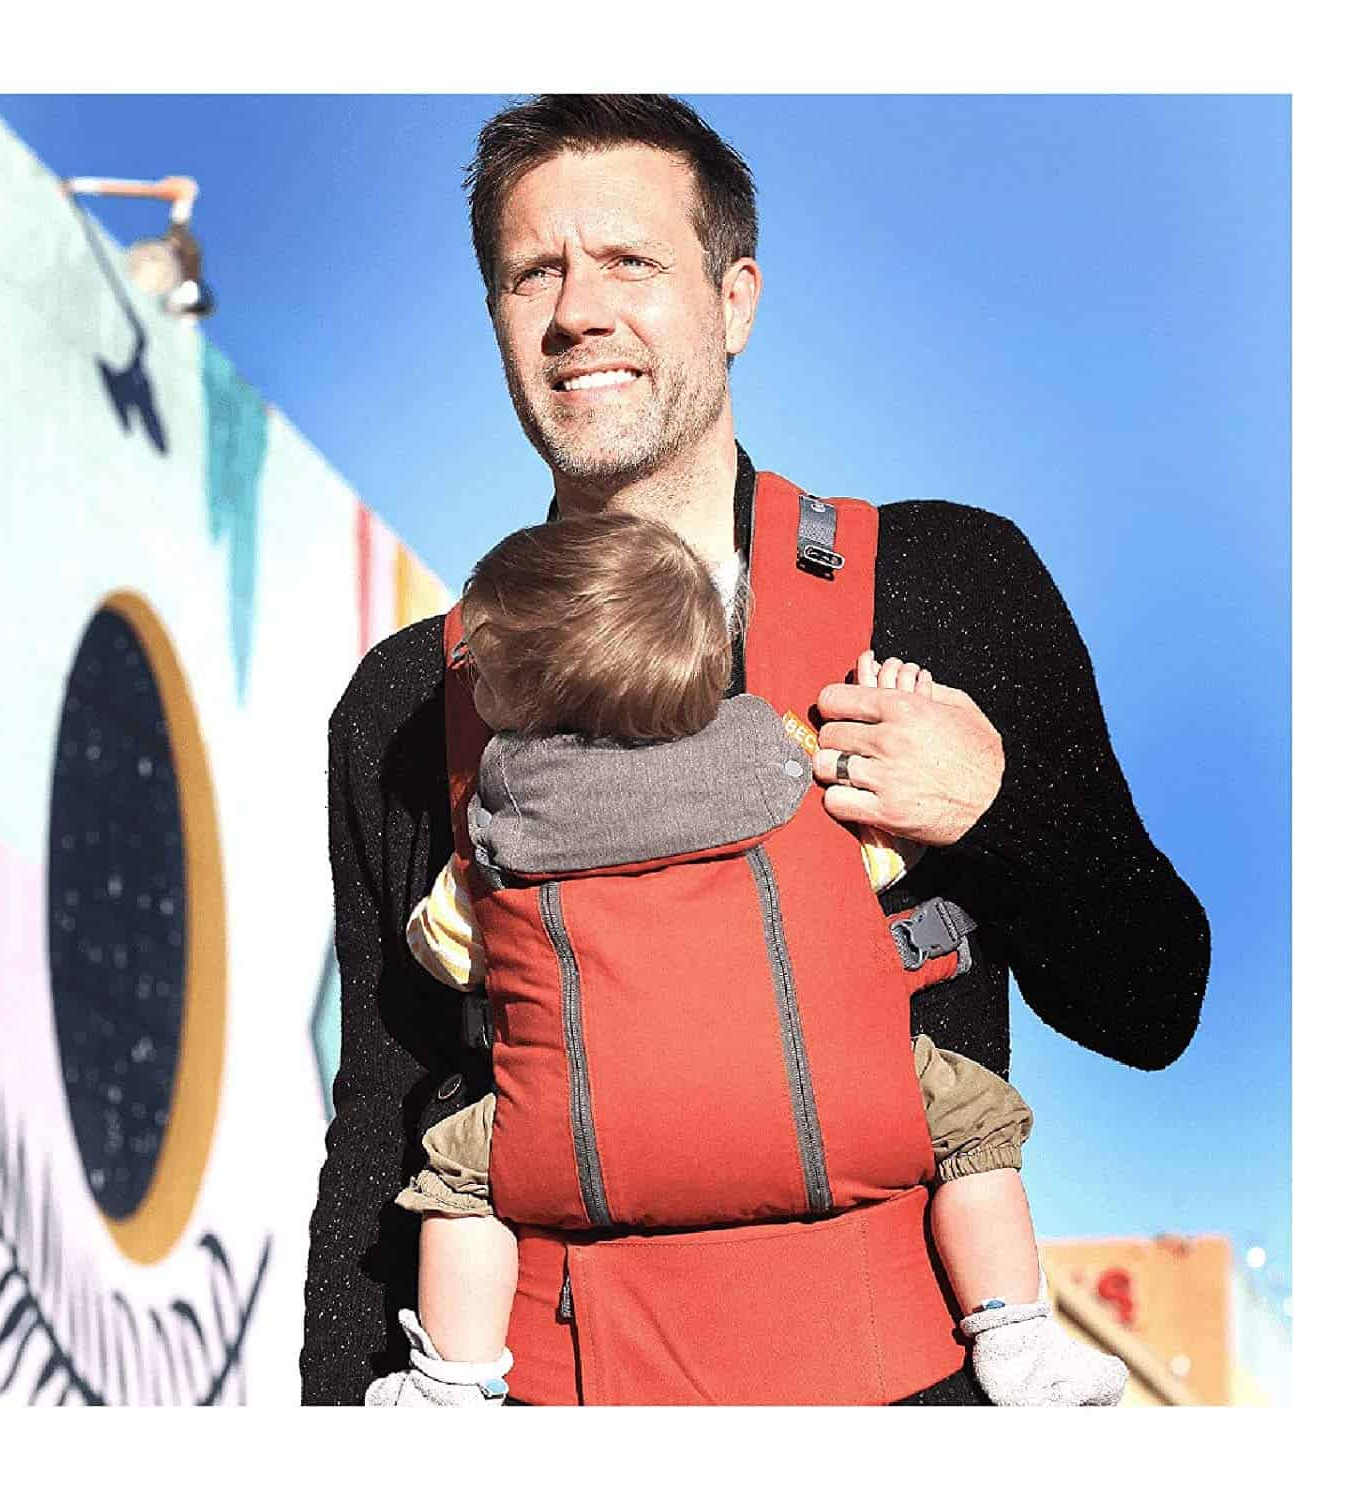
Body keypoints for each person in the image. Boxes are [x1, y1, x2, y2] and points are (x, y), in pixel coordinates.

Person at [301, 94, 1210, 1406]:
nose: (578, 312)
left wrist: (997, 808)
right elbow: (380, 1126)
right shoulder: (406, 700)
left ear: (734, 300)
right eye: (533, 271)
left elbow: (1154, 1000)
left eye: (630, 261)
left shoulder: (946, 584)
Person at [365, 511, 1128, 1408]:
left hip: (585, 1137)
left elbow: (446, 952)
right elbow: (882, 865)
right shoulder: (788, 777)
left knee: (458, 1181)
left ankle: (449, 1386)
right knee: (975, 1125)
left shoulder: (500, 836)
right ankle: (1017, 1341)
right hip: (831, 1114)